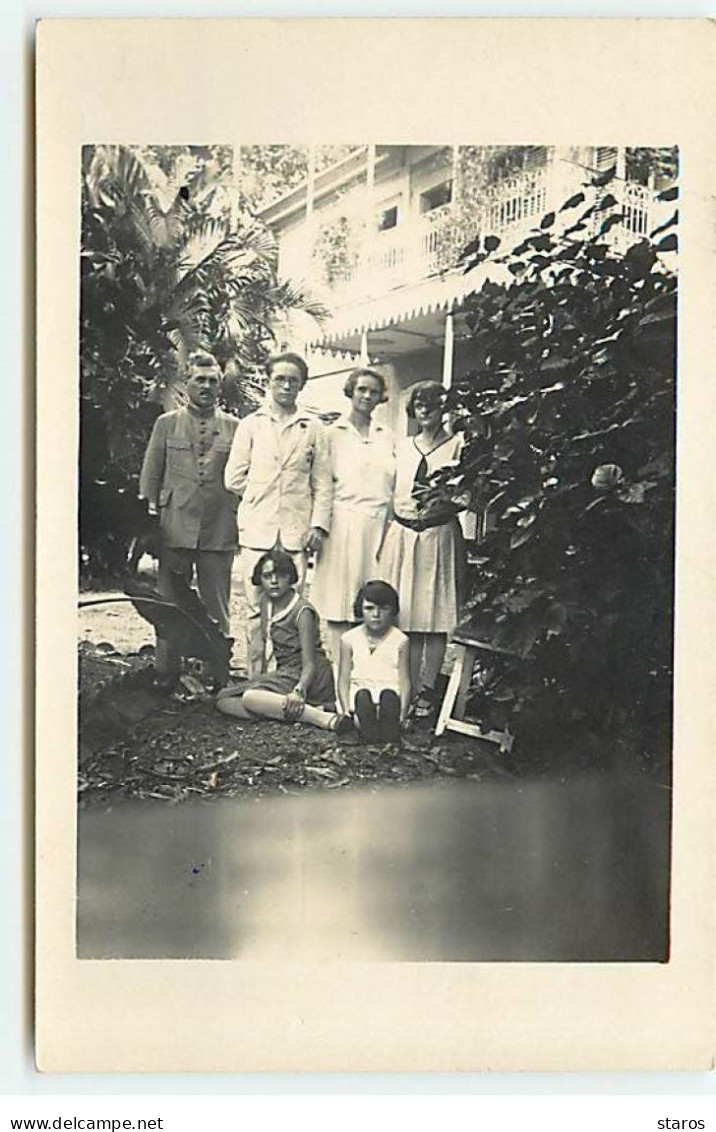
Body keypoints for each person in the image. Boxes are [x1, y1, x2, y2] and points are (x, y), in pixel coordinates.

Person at [224, 352, 332, 676]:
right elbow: (233, 478)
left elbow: (323, 483)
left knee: (293, 608)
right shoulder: (252, 425)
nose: (286, 386)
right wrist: (261, 495)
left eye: (293, 380)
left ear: (301, 385)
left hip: (296, 531)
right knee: (256, 608)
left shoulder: (312, 428)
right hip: (259, 527)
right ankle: (255, 677)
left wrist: (318, 526)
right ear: (268, 382)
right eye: (280, 379)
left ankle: (289, 676)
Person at [138, 348, 239, 684]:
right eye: (200, 380)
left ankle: (217, 671)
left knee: (216, 603)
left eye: (213, 380)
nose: (206, 386)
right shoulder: (166, 423)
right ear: (187, 382)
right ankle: (166, 670)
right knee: (169, 603)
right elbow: (150, 476)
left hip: (218, 527)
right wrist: (149, 524)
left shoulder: (235, 428)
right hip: (174, 527)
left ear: (220, 385)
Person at [378, 380, 467, 719]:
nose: (425, 409)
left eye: (432, 402)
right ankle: (409, 689)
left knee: (435, 613)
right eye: (419, 403)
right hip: (404, 534)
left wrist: (442, 506)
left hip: (437, 534)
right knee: (410, 616)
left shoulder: (457, 446)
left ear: (443, 408)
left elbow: (465, 496)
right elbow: (391, 494)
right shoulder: (403, 446)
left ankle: (429, 691)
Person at [310, 367, 395, 662]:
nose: (367, 396)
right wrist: (319, 525)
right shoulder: (332, 434)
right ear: (351, 392)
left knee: (372, 600)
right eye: (362, 389)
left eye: (373, 391)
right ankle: (339, 671)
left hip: (379, 523)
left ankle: (368, 669)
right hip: (343, 521)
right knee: (339, 601)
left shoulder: (387, 435)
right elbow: (320, 483)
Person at [215, 548, 350, 733]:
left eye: (280, 575)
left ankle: (324, 719)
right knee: (224, 700)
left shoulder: (302, 611)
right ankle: (292, 712)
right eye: (267, 576)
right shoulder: (265, 601)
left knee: (249, 699)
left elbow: (309, 662)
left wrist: (298, 690)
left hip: (308, 675)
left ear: (290, 577)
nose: (273, 581)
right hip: (285, 673)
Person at [337, 580, 410, 745]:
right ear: (360, 610)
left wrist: (403, 713)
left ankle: (389, 731)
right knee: (362, 697)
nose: (376, 614)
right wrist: (345, 710)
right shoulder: (349, 639)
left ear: (393, 610)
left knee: (389, 696)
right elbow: (343, 679)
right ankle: (368, 731)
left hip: (388, 699)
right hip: (360, 700)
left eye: (383, 608)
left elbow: (405, 680)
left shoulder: (401, 640)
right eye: (369, 608)